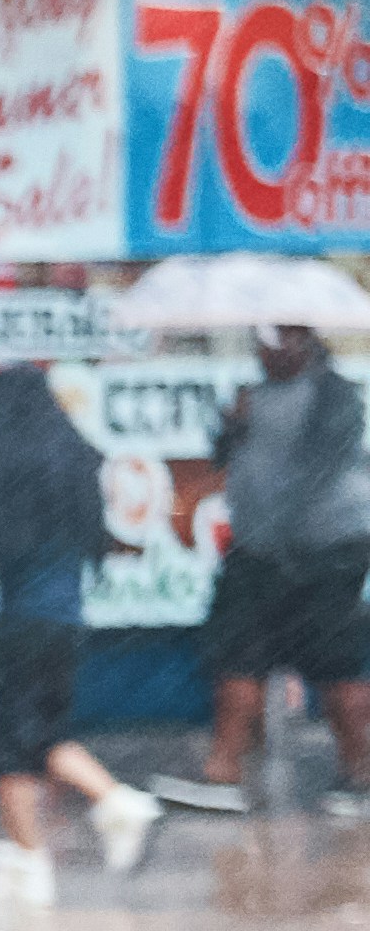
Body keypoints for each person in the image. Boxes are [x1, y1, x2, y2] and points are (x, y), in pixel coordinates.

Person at [0, 360, 157, 909]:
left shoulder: (3, 470)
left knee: (8, 746)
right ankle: (39, 852)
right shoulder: (69, 461)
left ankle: (92, 814)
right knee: (42, 737)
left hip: (17, 624)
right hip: (67, 624)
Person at [158, 324, 370, 817]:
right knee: (236, 656)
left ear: (304, 342)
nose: (266, 351)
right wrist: (233, 424)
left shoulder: (333, 394)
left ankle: (360, 773)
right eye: (261, 341)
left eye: (277, 340)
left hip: (326, 550)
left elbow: (316, 468)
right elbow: (225, 458)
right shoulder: (253, 395)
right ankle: (223, 771)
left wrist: (275, 530)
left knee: (336, 665)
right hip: (259, 552)